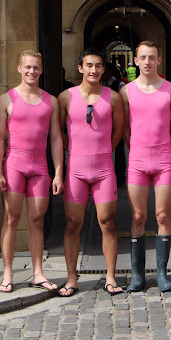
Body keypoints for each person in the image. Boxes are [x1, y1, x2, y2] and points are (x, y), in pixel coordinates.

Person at [0, 50, 63, 293]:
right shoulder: (6, 99)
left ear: (41, 70)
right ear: (19, 69)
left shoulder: (50, 101)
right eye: (28, 67)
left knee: (36, 220)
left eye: (36, 68)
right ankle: (8, 274)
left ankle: (38, 273)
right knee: (11, 219)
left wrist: (59, 171)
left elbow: (55, 139)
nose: (32, 71)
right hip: (14, 165)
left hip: (40, 168)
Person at [58, 50, 125, 297]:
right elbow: (59, 132)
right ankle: (72, 278)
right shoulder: (65, 97)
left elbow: (119, 131)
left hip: (104, 169)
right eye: (89, 65)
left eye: (98, 66)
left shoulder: (114, 98)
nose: (94, 70)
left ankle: (110, 277)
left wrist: (105, 149)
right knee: (73, 224)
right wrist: (72, 149)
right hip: (76, 169)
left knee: (107, 222)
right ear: (80, 68)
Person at [119, 41, 171, 292]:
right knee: (138, 215)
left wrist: (163, 146)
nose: (147, 62)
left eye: (151, 57)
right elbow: (124, 128)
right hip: (137, 159)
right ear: (136, 60)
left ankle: (162, 274)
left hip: (164, 159)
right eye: (142, 57)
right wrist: (136, 146)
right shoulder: (126, 92)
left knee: (163, 215)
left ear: (159, 60)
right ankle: (137, 275)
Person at [102, 62, 127, 187]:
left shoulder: (119, 84)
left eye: (105, 71)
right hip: (104, 122)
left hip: (117, 120)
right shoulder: (100, 84)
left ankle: (120, 176)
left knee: (119, 150)